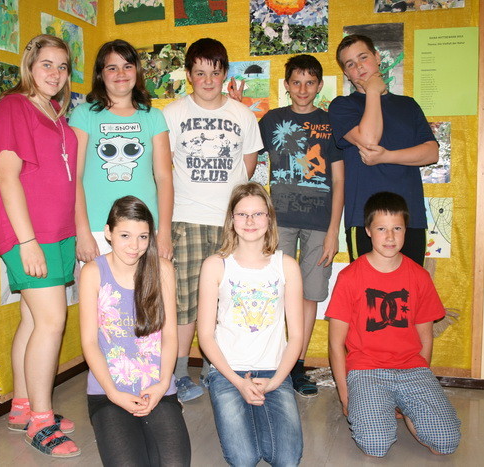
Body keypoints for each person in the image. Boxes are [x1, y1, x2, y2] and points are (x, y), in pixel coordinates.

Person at [0, 34, 79, 457]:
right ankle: (41, 422)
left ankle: (23, 407)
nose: (55, 73)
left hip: (56, 232)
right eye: (46, 64)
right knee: (52, 322)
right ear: (29, 65)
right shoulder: (13, 106)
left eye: (62, 66)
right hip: (29, 234)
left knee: (32, 320)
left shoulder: (54, 112)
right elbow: (7, 177)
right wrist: (27, 242)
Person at [163, 38, 263, 401]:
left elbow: (248, 165)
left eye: (215, 72)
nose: (208, 80)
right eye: (200, 72)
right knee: (185, 302)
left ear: (225, 74)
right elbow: (163, 168)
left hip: (229, 224)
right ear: (189, 74)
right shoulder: (172, 113)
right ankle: (178, 374)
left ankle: (214, 369)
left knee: (226, 300)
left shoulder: (243, 115)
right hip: (185, 220)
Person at [326, 192, 461, 457]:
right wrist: (345, 394)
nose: (390, 237)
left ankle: (409, 409)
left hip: (412, 369)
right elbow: (335, 343)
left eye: (397, 228)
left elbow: (425, 338)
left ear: (406, 230)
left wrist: (421, 380)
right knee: (376, 445)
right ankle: (379, 406)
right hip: (366, 371)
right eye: (381, 229)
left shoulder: (419, 276)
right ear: (368, 231)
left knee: (446, 442)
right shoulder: (350, 277)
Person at [79, 196, 191, 466]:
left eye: (143, 237)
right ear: (108, 232)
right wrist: (113, 392)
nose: (135, 246)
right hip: (109, 392)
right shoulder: (93, 272)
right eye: (125, 235)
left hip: (157, 388)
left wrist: (163, 384)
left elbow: (170, 336)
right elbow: (90, 342)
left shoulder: (162, 270)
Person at [197, 182, 304, 466]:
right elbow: (205, 336)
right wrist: (238, 383)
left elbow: (296, 336)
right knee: (243, 459)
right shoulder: (215, 265)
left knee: (287, 460)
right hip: (227, 372)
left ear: (269, 218)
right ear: (231, 220)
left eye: (257, 214)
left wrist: (276, 381)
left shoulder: (287, 265)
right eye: (242, 214)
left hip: (274, 371)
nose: (250, 221)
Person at [258, 54, 344, 397]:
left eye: (310, 82)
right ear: (286, 85)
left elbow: (339, 179)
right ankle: (270, 360)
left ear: (319, 85)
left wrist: (334, 231)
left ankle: (297, 365)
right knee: (274, 291)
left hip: (320, 223)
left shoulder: (330, 122)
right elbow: (249, 153)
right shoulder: (272, 120)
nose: (303, 89)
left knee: (310, 295)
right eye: (296, 82)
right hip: (279, 221)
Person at [328, 34, 438, 266]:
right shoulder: (341, 106)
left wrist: (387, 156)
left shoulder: (408, 105)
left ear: (377, 57)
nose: (359, 67)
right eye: (350, 64)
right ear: (346, 73)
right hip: (365, 220)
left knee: (409, 287)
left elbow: (431, 153)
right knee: (368, 288)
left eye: (363, 57)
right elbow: (369, 139)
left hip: (410, 218)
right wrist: (373, 92)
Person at [69, 39, 173, 263]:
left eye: (127, 66)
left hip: (144, 230)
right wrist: (82, 231)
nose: (121, 73)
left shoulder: (154, 117)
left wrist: (164, 232)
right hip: (97, 230)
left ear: (137, 70)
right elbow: (74, 177)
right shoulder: (84, 115)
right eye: (112, 68)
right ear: (100, 74)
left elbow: (164, 178)